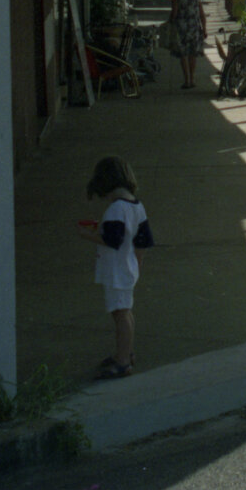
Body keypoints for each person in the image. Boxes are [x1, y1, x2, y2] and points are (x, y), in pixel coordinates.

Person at [78, 155, 152, 378]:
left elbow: (113, 239)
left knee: (120, 313)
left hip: (116, 270)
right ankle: (126, 352)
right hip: (128, 267)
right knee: (124, 311)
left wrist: (87, 235)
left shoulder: (115, 209)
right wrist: (138, 261)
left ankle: (122, 362)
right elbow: (144, 239)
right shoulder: (136, 206)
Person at [167, 0, 207, 88]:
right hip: (194, 28)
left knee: (183, 55)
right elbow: (202, 15)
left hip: (182, 28)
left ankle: (187, 80)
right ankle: (193, 79)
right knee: (192, 54)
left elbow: (174, 13)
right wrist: (204, 29)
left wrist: (169, 23)